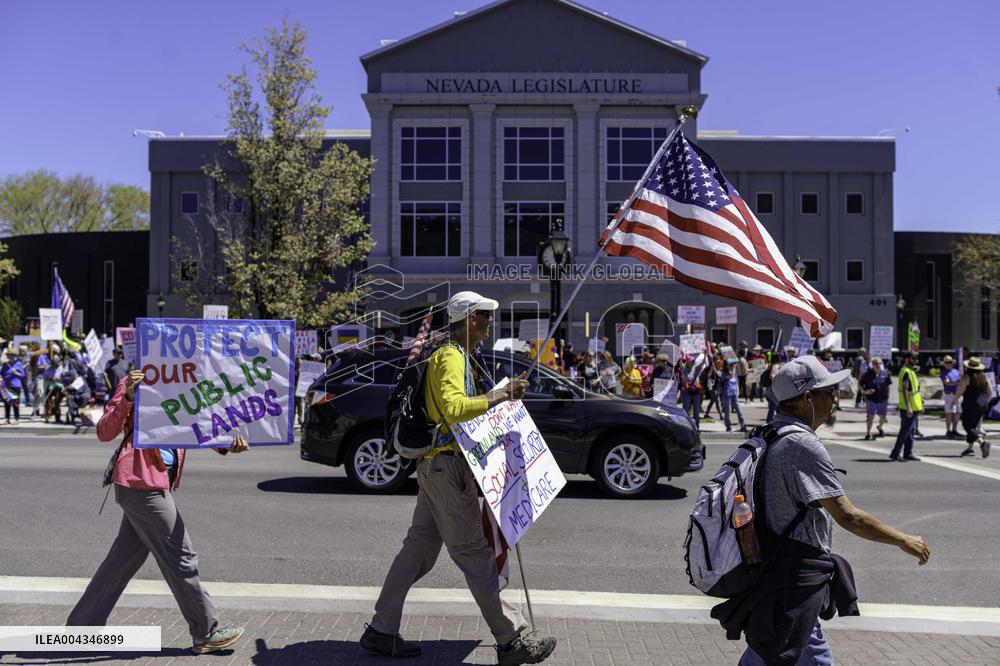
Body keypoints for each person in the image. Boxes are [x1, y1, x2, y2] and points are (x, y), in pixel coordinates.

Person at [362, 291, 556, 664]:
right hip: (447, 470)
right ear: (468, 319)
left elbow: (461, 407)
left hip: (438, 469)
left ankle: (380, 630)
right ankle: (511, 639)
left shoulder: (460, 355)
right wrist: (499, 398)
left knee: (417, 551)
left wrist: (499, 394)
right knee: (474, 555)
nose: (487, 326)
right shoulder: (451, 356)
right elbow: (453, 408)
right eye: (483, 318)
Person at [718, 356, 930, 665]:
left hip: (775, 572)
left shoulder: (767, 433)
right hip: (793, 578)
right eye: (828, 391)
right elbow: (848, 516)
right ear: (806, 398)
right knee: (808, 656)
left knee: (767, 652)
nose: (835, 397)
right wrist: (903, 539)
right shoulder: (801, 444)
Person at [67, 370, 248, 655]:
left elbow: (197, 425)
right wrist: (128, 396)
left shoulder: (182, 385)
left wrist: (226, 444)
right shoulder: (133, 382)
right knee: (181, 556)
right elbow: (104, 431)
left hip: (151, 484)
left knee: (120, 562)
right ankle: (206, 631)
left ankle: (79, 630)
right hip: (140, 484)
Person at [954, 357, 992, 458]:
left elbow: (960, 391)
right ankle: (970, 449)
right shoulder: (984, 377)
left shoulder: (966, 377)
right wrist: (985, 403)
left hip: (970, 404)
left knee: (967, 426)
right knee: (973, 427)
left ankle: (983, 443)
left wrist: (954, 401)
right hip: (983, 404)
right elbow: (990, 393)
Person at [891, 351, 923, 461]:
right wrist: (908, 407)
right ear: (906, 359)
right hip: (907, 407)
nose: (915, 361)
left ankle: (908, 452)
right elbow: (905, 390)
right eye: (913, 359)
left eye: (915, 359)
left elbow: (915, 390)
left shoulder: (911, 371)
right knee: (905, 431)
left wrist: (921, 403)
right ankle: (896, 453)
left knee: (911, 431)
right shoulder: (905, 372)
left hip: (914, 406)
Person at [859, 357, 891, 440]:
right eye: (876, 364)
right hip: (871, 399)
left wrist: (888, 396)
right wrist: (865, 391)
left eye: (879, 363)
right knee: (871, 416)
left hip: (883, 399)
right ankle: (868, 433)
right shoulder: (867, 374)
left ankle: (880, 427)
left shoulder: (885, 373)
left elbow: (888, 385)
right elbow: (860, 384)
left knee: (883, 417)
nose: (878, 365)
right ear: (872, 365)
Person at [720, 359, 747, 433]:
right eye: (730, 364)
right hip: (727, 394)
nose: (732, 365)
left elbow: (737, 380)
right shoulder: (724, 373)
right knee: (727, 411)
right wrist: (733, 368)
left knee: (738, 410)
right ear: (726, 365)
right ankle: (728, 426)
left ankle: (743, 425)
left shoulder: (735, 372)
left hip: (734, 393)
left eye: (732, 364)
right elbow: (730, 376)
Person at [940, 355, 962, 438]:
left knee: (958, 412)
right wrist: (958, 382)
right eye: (947, 362)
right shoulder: (943, 372)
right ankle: (948, 430)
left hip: (958, 394)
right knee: (949, 413)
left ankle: (954, 430)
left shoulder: (957, 371)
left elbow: (960, 380)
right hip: (949, 394)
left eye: (950, 362)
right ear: (944, 364)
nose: (949, 364)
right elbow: (947, 383)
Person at [1, 351, 26, 424]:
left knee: (15, 403)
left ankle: (16, 418)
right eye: (9, 355)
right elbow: (1, 374)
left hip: (15, 385)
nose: (10, 356)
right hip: (6, 386)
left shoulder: (18, 364)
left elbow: (23, 375)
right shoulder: (5, 364)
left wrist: (16, 373)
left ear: (14, 356)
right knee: (7, 403)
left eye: (11, 355)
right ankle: (7, 418)